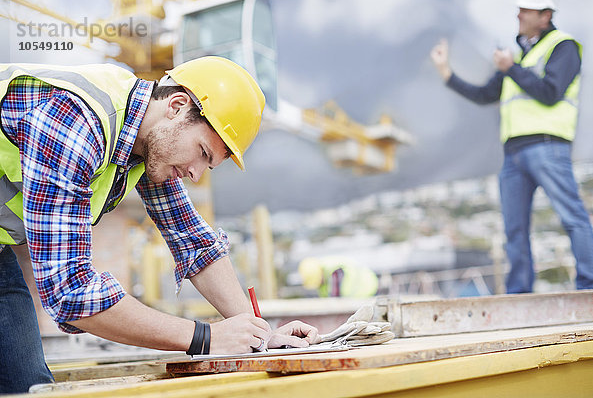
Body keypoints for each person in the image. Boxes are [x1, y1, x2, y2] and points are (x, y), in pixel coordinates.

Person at [0, 56, 319, 394]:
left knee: (27, 388)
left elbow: (194, 244)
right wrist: (205, 337)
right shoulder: (74, 121)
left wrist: (259, 334)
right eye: (202, 153)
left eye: (207, 166)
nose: (195, 174)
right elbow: (71, 292)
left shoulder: (146, 139)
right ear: (177, 106)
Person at [430, 0, 593, 294]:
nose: (518, 14)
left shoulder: (564, 47)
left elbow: (551, 92)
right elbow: (484, 94)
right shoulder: (519, 57)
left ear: (545, 16)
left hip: (547, 146)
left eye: (526, 10)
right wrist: (446, 72)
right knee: (514, 231)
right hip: (513, 154)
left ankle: (590, 287)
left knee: (572, 218)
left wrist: (512, 68)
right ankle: (519, 293)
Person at [298, 256, 378, 298]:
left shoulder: (335, 271)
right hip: (360, 297)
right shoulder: (325, 274)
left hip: (368, 292)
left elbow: (335, 301)